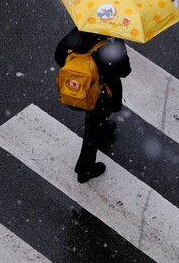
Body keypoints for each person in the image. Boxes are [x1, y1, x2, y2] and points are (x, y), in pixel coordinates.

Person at [55, 27, 131, 183]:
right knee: (93, 126)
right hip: (100, 97)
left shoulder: (76, 35)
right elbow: (124, 71)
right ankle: (85, 168)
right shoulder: (110, 47)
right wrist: (119, 43)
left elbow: (58, 56)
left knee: (95, 122)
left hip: (75, 92)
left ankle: (102, 129)